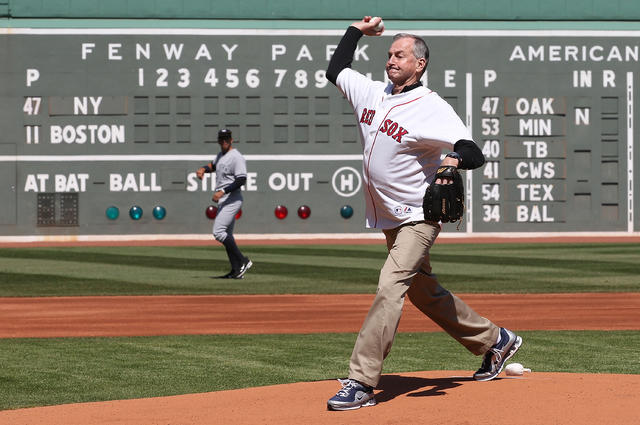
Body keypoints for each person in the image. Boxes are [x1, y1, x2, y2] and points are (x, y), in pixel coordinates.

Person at [324, 17, 522, 411]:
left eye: (400, 54)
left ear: (420, 64)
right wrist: (355, 32)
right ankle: (495, 340)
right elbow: (336, 70)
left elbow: (473, 150)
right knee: (424, 292)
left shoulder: (430, 107)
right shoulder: (372, 94)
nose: (391, 60)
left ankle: (362, 381)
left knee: (390, 286)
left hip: (418, 216)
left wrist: (452, 159)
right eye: (390, 54)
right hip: (389, 218)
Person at [196, 129, 252, 279]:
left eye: (226, 139)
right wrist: (203, 169)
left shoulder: (236, 157)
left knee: (218, 232)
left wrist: (222, 191)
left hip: (232, 199)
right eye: (221, 139)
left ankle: (243, 261)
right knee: (227, 235)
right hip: (225, 201)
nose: (224, 141)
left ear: (231, 140)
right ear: (219, 141)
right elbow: (214, 166)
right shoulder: (221, 155)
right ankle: (236, 270)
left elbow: (241, 179)